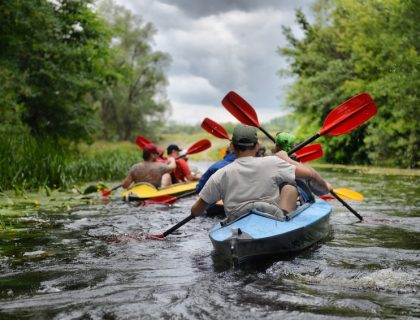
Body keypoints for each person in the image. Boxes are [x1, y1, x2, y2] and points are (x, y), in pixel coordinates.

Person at [191, 124, 331, 221]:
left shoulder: (220, 174)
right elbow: (309, 174)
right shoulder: (273, 162)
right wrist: (288, 159)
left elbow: (196, 211)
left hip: (235, 220)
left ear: (232, 147)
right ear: (257, 146)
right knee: (289, 188)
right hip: (271, 217)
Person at [275, 132, 329, 203]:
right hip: (298, 202)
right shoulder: (303, 169)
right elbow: (323, 191)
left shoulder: (268, 163)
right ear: (293, 147)